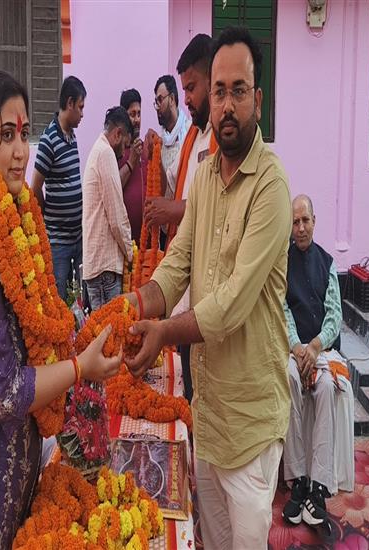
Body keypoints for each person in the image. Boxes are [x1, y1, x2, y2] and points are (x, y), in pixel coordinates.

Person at [0, 70, 121, 550]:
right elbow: (7, 392)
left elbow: (36, 333)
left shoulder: (14, 214)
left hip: (11, 478)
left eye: (24, 134)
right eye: (7, 135)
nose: (20, 151)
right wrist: (80, 367)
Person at [124, 27, 291, 549]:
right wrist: (131, 305)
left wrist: (162, 331)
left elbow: (230, 305)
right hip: (210, 415)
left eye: (238, 90)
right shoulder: (203, 180)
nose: (226, 105)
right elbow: (178, 263)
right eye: (219, 91)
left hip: (250, 423)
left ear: (257, 99)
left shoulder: (271, 187)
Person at [145, 33, 218, 404]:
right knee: (191, 388)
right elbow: (176, 187)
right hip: (185, 275)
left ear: (212, 81)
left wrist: (171, 210)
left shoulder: (224, 138)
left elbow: (218, 207)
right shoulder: (192, 134)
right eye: (184, 89)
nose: (186, 98)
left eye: (191, 88)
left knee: (204, 390)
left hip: (210, 292)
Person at [282, 194, 342, 528]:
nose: (301, 227)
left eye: (305, 220)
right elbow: (283, 310)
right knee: (290, 378)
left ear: (314, 222)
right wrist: (297, 347)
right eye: (295, 222)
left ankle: (318, 487)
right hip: (294, 350)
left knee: (326, 388)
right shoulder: (282, 263)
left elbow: (334, 315)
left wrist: (316, 346)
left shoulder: (328, 263)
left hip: (323, 350)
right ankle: (298, 479)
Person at [31, 76, 86, 301]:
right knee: (59, 300)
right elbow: (35, 187)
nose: (82, 114)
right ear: (70, 103)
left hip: (78, 237)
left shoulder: (72, 136)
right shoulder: (49, 139)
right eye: (80, 107)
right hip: (58, 242)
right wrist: (50, 217)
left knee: (81, 299)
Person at [82, 106, 134, 311]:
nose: (124, 152)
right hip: (105, 268)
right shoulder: (105, 153)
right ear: (118, 134)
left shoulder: (98, 150)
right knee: (110, 329)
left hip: (99, 267)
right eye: (125, 145)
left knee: (101, 328)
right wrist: (130, 254)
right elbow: (116, 216)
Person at [119, 88, 147, 245]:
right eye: (132, 114)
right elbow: (114, 187)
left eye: (139, 114)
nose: (137, 119)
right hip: (124, 243)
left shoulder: (145, 148)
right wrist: (132, 160)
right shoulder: (116, 151)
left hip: (146, 243)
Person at [153, 74, 190, 172]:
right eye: (156, 102)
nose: (157, 107)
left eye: (160, 100)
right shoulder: (159, 142)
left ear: (172, 99)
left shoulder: (190, 131)